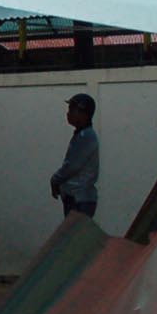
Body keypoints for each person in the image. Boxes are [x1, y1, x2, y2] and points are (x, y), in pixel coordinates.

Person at [51, 91, 100, 220]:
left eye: (72, 110)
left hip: (79, 199)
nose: (68, 114)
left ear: (83, 113)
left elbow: (72, 166)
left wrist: (55, 179)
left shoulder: (86, 137)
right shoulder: (81, 135)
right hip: (76, 198)